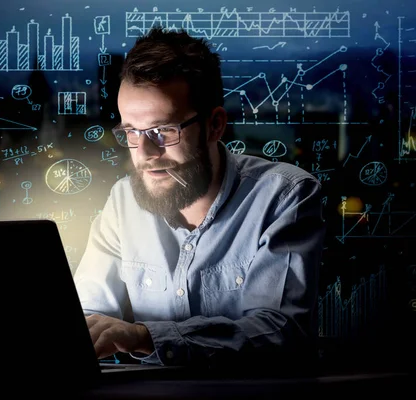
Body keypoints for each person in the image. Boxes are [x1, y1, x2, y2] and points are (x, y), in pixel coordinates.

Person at [73, 26, 326, 369]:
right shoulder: (122, 201)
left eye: (164, 131)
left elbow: (279, 331)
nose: (145, 153)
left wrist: (145, 337)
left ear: (215, 125)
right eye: (132, 132)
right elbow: (89, 317)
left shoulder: (283, 197)